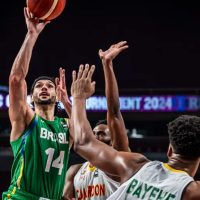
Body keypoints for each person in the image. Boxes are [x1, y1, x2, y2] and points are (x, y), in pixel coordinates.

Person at [70, 64, 200, 200]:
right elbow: (113, 115)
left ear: (169, 150)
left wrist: (78, 98)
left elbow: (83, 142)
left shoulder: (134, 165)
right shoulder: (193, 192)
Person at [2, 8, 73, 200]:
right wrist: (31, 34)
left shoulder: (66, 126)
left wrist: (67, 103)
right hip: (20, 197)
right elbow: (16, 79)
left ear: (56, 95)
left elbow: (86, 138)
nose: (43, 88)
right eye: (38, 86)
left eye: (49, 86)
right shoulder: (27, 119)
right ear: (31, 96)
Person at [63, 42, 130, 200]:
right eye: (94, 134)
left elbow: (113, 112)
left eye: (102, 134)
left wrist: (107, 65)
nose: (96, 137)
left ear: (112, 138)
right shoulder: (75, 171)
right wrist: (68, 103)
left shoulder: (120, 161)